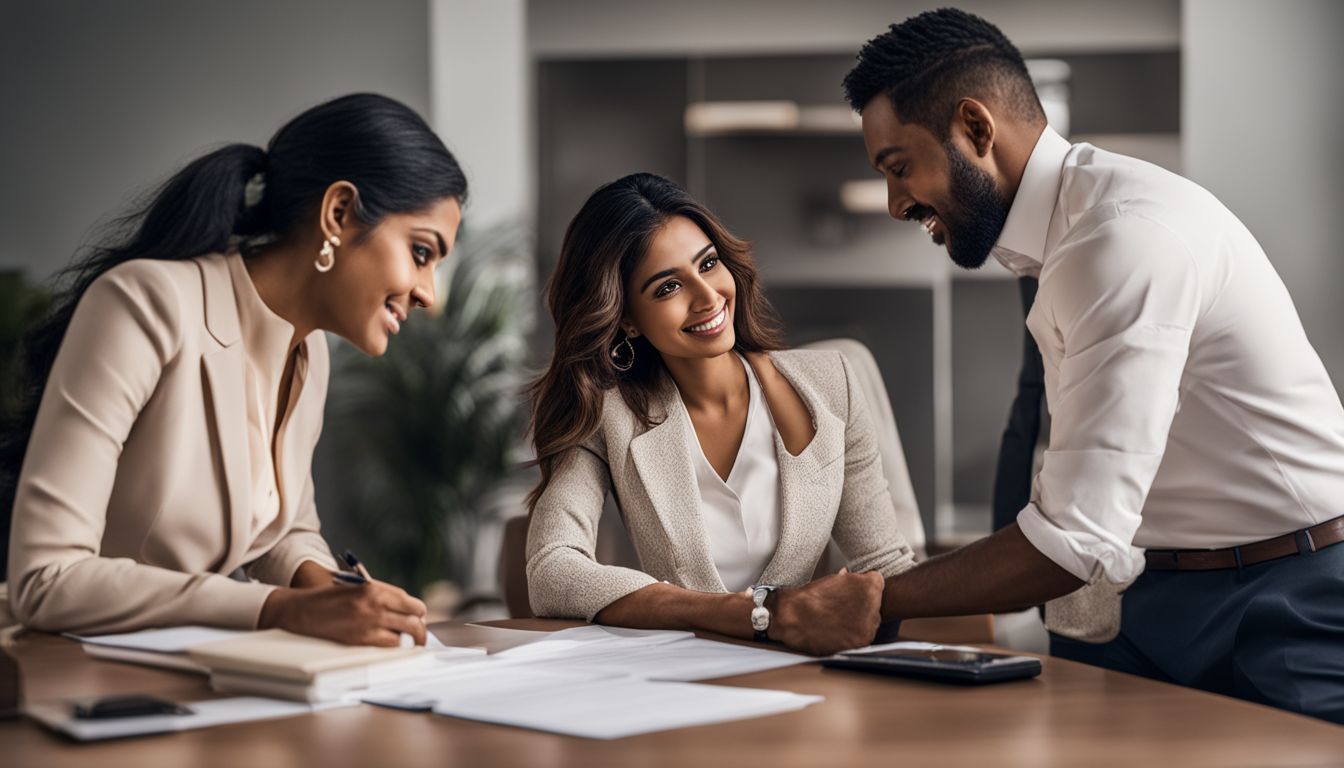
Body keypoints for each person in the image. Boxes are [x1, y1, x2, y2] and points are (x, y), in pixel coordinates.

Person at [842, 8, 1344, 722]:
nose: (896, 203)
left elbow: (1074, 537)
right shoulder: (1052, 239)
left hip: (1284, 596)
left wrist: (878, 596)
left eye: (900, 168)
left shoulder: (1121, 238)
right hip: (1144, 604)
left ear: (976, 129)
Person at [2, 93, 466, 647]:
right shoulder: (145, 304)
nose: (429, 296)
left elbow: (281, 529)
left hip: (194, 675)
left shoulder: (309, 351)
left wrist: (333, 594)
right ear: (338, 214)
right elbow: (47, 578)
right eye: (420, 253)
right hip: (69, 675)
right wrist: (279, 610)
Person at [525, 172, 916, 656]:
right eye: (668, 287)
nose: (708, 296)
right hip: (678, 684)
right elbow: (552, 570)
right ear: (626, 317)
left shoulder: (833, 383)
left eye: (708, 264)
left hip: (805, 680)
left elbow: (886, 567)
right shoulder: (610, 415)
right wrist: (755, 616)